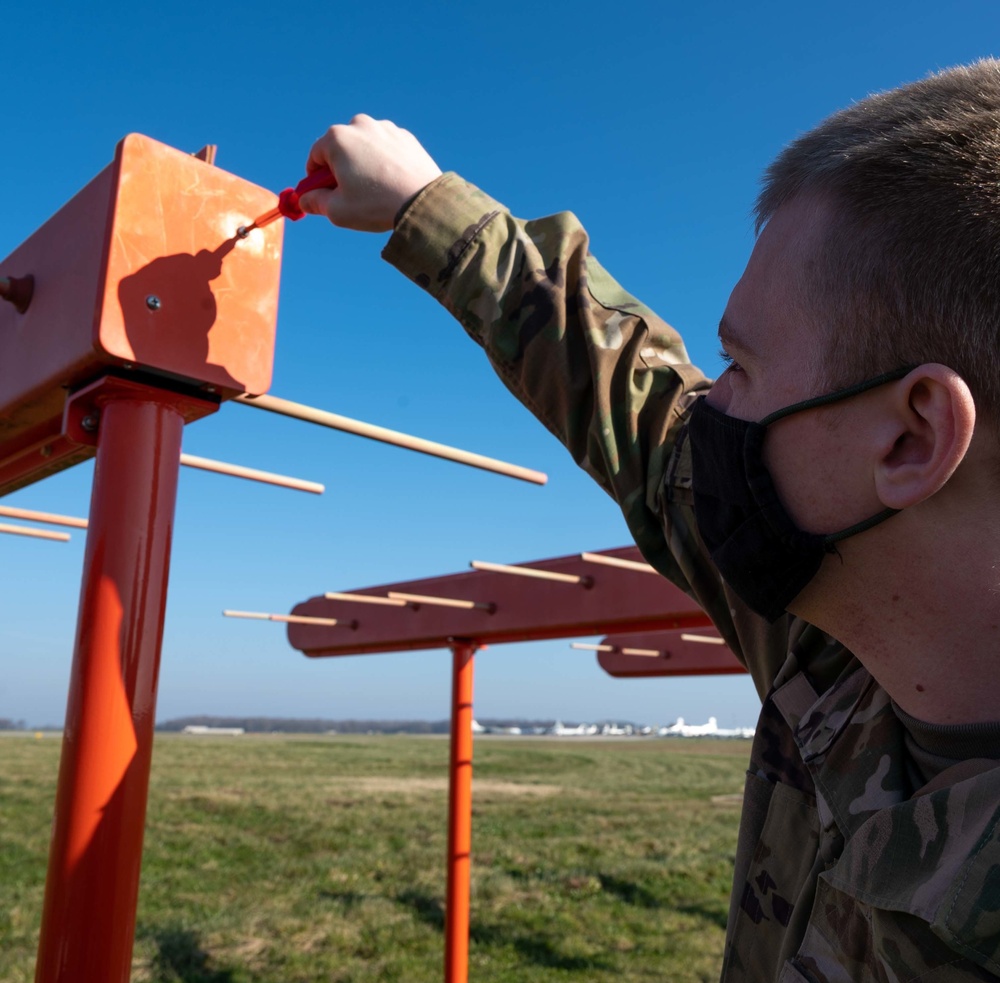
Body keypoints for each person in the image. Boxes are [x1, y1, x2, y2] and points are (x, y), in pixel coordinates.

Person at [297, 61, 1000, 982]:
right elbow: (634, 402)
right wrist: (426, 206)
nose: (709, 414)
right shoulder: (832, 648)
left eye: (738, 371)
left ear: (910, 439)